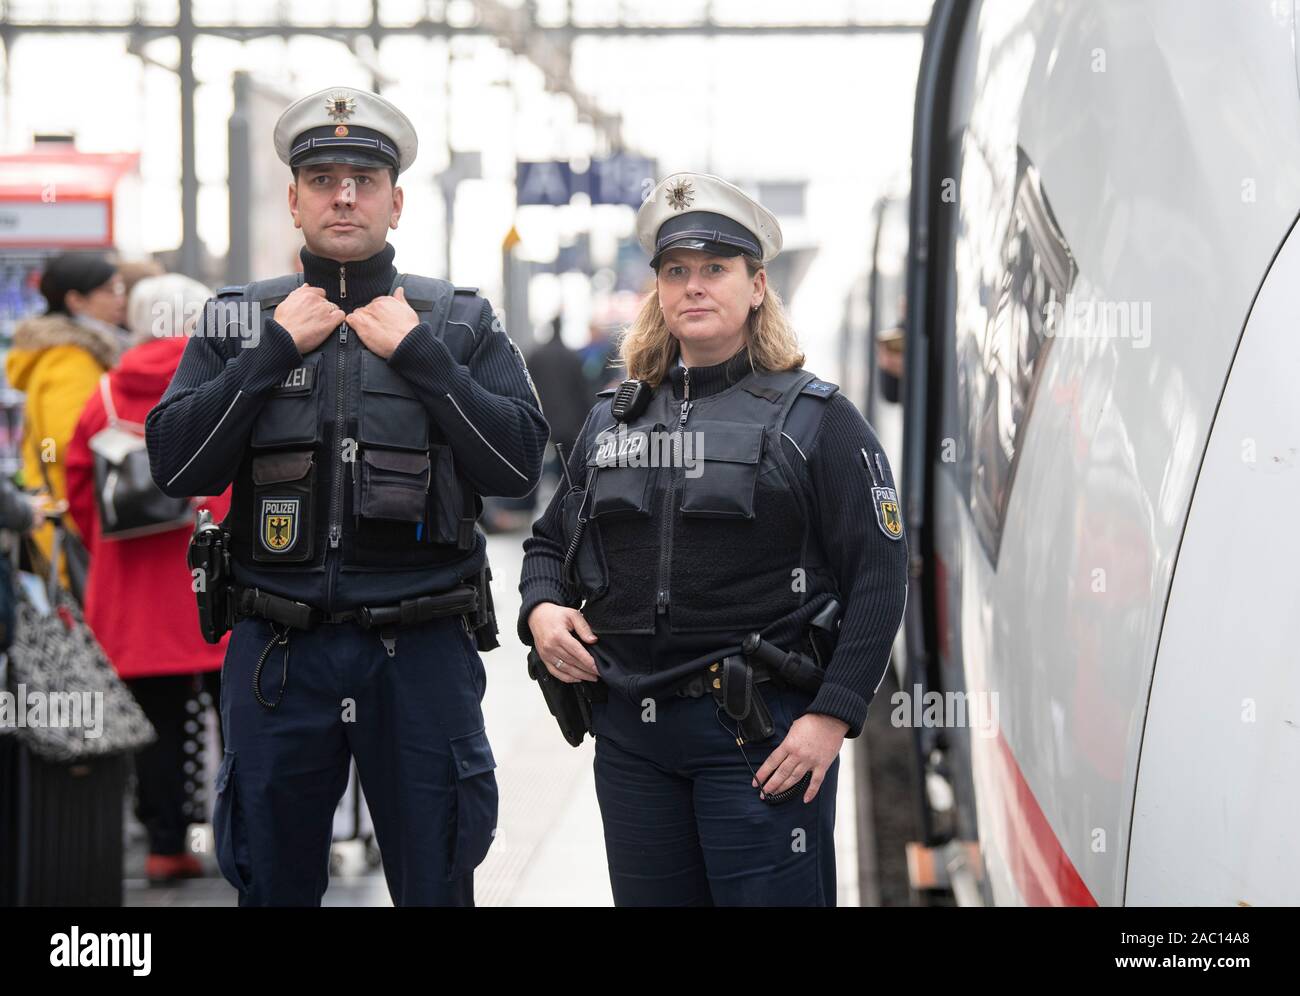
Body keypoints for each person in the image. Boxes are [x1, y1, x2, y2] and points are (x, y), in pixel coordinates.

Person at [145, 86, 548, 906]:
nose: (343, 194)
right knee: (272, 884)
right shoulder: (235, 321)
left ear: (394, 202)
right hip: (277, 656)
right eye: (321, 177)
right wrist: (269, 353)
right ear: (293, 200)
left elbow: (516, 469)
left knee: (437, 882)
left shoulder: (459, 320)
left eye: (363, 179)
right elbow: (178, 468)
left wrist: (425, 359)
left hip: (422, 652)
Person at [518, 172, 909, 906]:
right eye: (676, 272)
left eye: (715, 269)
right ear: (659, 291)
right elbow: (548, 547)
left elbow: (881, 579)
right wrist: (541, 612)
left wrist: (833, 713)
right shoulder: (614, 422)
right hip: (632, 746)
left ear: (757, 286)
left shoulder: (817, 421)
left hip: (759, 741)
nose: (693, 286)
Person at [65, 273, 230, 885]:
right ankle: (243, 840)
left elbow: (79, 489)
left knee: (157, 725)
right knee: (238, 717)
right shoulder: (220, 385)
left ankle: (165, 845)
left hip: (133, 592)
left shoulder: (104, 393)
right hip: (214, 585)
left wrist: (108, 554)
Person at [5, 253, 125, 589]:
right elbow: (64, 439)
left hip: (60, 510)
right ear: (76, 300)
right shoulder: (70, 358)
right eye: (109, 289)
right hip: (74, 516)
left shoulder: (65, 353)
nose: (120, 298)